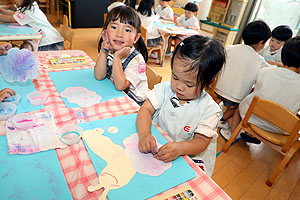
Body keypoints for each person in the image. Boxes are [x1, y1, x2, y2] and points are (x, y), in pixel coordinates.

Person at [136, 35, 226, 177]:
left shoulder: (209, 109)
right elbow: (146, 109)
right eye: (175, 77)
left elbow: (201, 141)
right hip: (159, 149)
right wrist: (144, 134)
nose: (179, 87)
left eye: (189, 84)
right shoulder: (166, 89)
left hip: (187, 158)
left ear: (209, 83)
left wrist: (179, 148)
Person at [226, 36, 300, 144]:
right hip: (282, 129)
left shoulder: (266, 72)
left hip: (251, 118)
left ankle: (233, 135)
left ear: (283, 55)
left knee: (240, 108)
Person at [215, 20, 271, 141]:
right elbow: (268, 75)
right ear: (261, 43)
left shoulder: (229, 48)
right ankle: (229, 128)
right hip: (236, 98)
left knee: (231, 101)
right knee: (242, 106)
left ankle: (219, 117)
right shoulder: (259, 60)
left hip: (218, 88)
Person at [94, 6, 148, 106]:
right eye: (114, 27)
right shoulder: (110, 49)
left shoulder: (137, 60)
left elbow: (120, 86)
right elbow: (99, 75)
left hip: (134, 105)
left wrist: (117, 58)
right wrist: (103, 51)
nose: (119, 34)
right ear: (106, 31)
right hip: (115, 95)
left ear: (136, 38)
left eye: (127, 30)